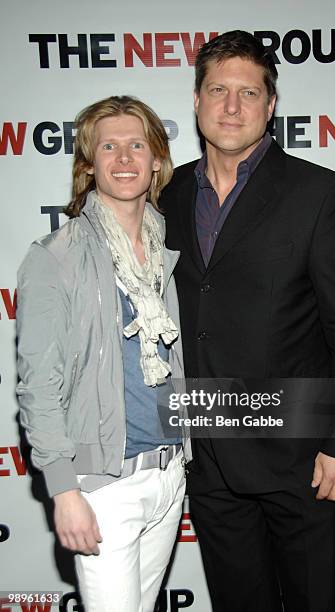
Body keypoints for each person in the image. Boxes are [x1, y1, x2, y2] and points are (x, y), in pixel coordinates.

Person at [159, 31, 335, 611]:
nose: (232, 106)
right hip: (208, 457)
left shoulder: (321, 194)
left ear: (270, 105)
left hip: (305, 461)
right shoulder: (168, 193)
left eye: (248, 92)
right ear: (196, 100)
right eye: (218, 90)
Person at [16, 95, 190, 612]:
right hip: (102, 486)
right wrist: (65, 492)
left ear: (157, 159)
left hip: (168, 473)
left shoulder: (167, 249)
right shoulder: (56, 257)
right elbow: (38, 386)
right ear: (89, 165)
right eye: (108, 147)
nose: (123, 158)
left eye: (136, 145)